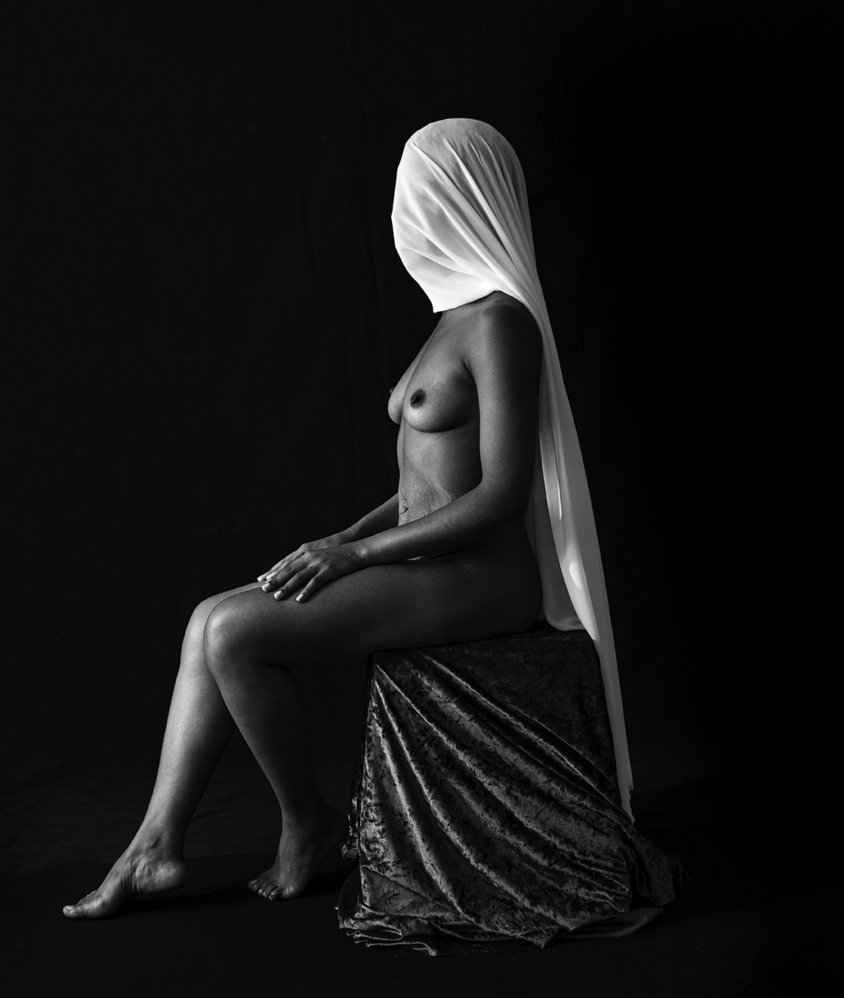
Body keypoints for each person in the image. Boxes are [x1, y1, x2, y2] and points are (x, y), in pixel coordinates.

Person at [63, 117, 631, 920]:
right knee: (204, 621)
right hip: (426, 562)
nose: (404, 213)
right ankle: (154, 847)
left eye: (417, 193)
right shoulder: (451, 320)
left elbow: (501, 494)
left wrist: (359, 559)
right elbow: (426, 488)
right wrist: (344, 538)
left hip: (482, 579)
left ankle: (307, 821)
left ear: (458, 197)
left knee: (233, 633)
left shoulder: (500, 323)